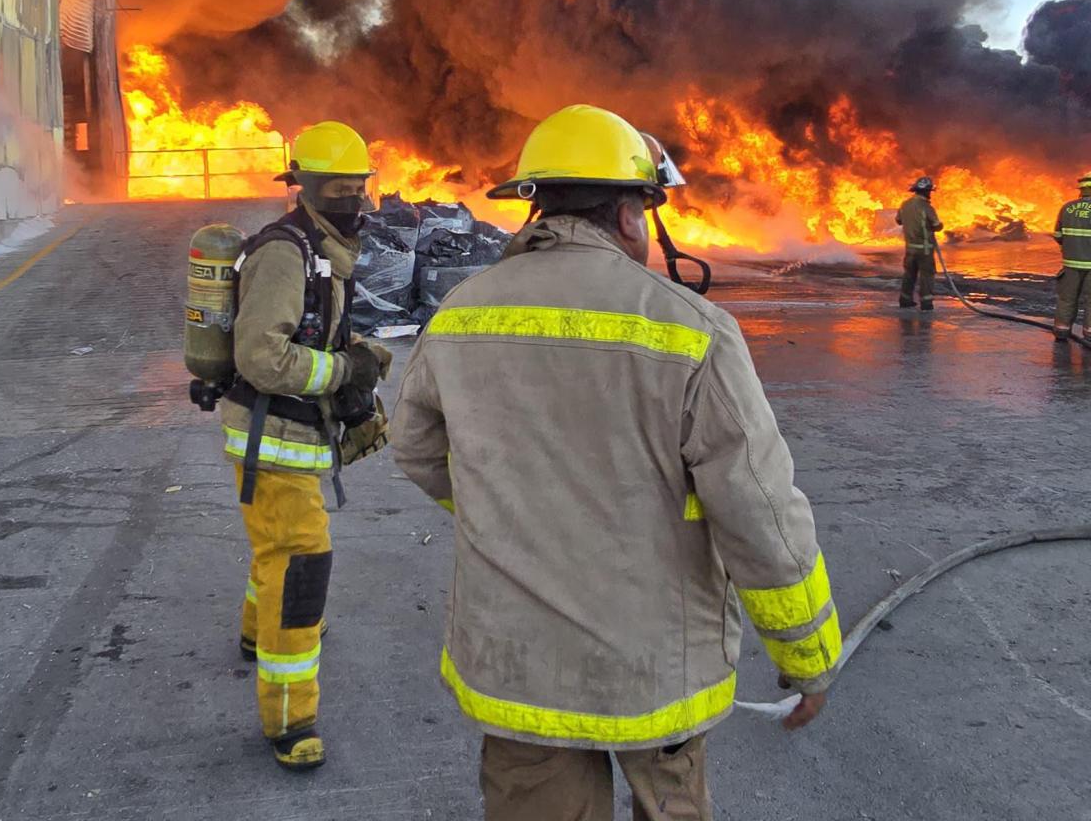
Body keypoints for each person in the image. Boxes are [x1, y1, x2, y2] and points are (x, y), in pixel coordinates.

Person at [390, 104, 841, 821]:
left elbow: (415, 447)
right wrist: (809, 656)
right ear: (633, 216)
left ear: (535, 206)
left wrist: (509, 510)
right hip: (651, 670)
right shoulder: (695, 332)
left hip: (517, 663)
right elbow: (760, 515)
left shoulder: (461, 315)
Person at [222, 121, 392, 771]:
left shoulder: (325, 252)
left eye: (359, 186)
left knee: (275, 546)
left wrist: (356, 359)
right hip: (271, 434)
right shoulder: (285, 253)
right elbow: (261, 356)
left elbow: (314, 335)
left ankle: (249, 634)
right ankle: (290, 722)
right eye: (339, 187)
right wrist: (342, 374)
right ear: (307, 188)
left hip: (291, 436)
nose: (354, 198)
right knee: (300, 564)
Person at [1052, 171, 1091, 342]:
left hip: (1070, 264)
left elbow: (1058, 235)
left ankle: (1061, 331)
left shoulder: (1066, 208)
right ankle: (1090, 334)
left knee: (1067, 298)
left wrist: (1070, 248)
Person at [896, 176, 944, 311]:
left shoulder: (905, 205)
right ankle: (926, 304)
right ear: (926, 192)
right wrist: (940, 225)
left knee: (909, 274)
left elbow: (898, 220)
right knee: (926, 275)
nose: (930, 194)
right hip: (925, 250)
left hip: (910, 248)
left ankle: (905, 300)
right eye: (929, 191)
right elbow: (936, 225)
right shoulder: (927, 207)